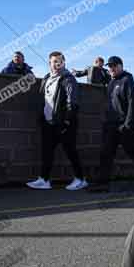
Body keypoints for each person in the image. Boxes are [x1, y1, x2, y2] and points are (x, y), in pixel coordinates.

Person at [88, 56, 134, 192]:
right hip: (111, 125)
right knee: (106, 154)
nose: (111, 68)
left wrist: (128, 125)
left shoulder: (127, 81)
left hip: (123, 126)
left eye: (114, 66)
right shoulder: (112, 82)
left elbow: (133, 104)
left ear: (121, 66)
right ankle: (102, 184)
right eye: (110, 66)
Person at [26, 51, 88, 191]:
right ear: (49, 63)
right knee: (47, 152)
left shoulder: (68, 78)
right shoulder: (47, 77)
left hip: (64, 123)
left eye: (59, 61)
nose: (56, 64)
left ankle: (81, 179)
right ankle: (44, 180)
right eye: (53, 61)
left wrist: (67, 121)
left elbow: (73, 102)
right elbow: (44, 98)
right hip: (49, 123)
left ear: (64, 62)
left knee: (70, 151)